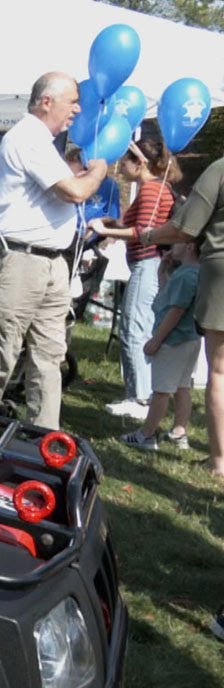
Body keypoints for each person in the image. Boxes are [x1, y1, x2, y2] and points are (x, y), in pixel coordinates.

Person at [0, 72, 108, 429]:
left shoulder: (44, 144)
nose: (77, 109)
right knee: (1, 357)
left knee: (49, 358)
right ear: (46, 101)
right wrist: (99, 171)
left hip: (52, 263)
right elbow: (73, 191)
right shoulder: (26, 138)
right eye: (72, 100)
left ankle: (44, 440)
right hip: (20, 263)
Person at [142, 155, 224, 475]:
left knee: (219, 371)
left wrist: (147, 235)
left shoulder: (219, 169)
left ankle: (219, 462)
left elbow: (184, 229)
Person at [89, 138, 181, 419]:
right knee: (136, 326)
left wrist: (105, 231)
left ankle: (140, 398)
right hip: (145, 264)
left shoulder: (153, 190)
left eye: (125, 162)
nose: (121, 168)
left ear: (138, 163)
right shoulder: (155, 189)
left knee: (134, 328)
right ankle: (141, 394)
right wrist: (114, 223)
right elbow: (134, 224)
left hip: (147, 264)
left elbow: (143, 231)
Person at [117, 239, 200, 450]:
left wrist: (156, 340)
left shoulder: (185, 276)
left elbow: (176, 310)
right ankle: (179, 431)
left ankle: (147, 434)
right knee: (182, 387)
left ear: (189, 247)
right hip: (189, 339)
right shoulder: (192, 273)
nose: (172, 248)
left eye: (176, 244)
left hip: (172, 341)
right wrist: (161, 272)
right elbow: (167, 297)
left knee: (161, 391)